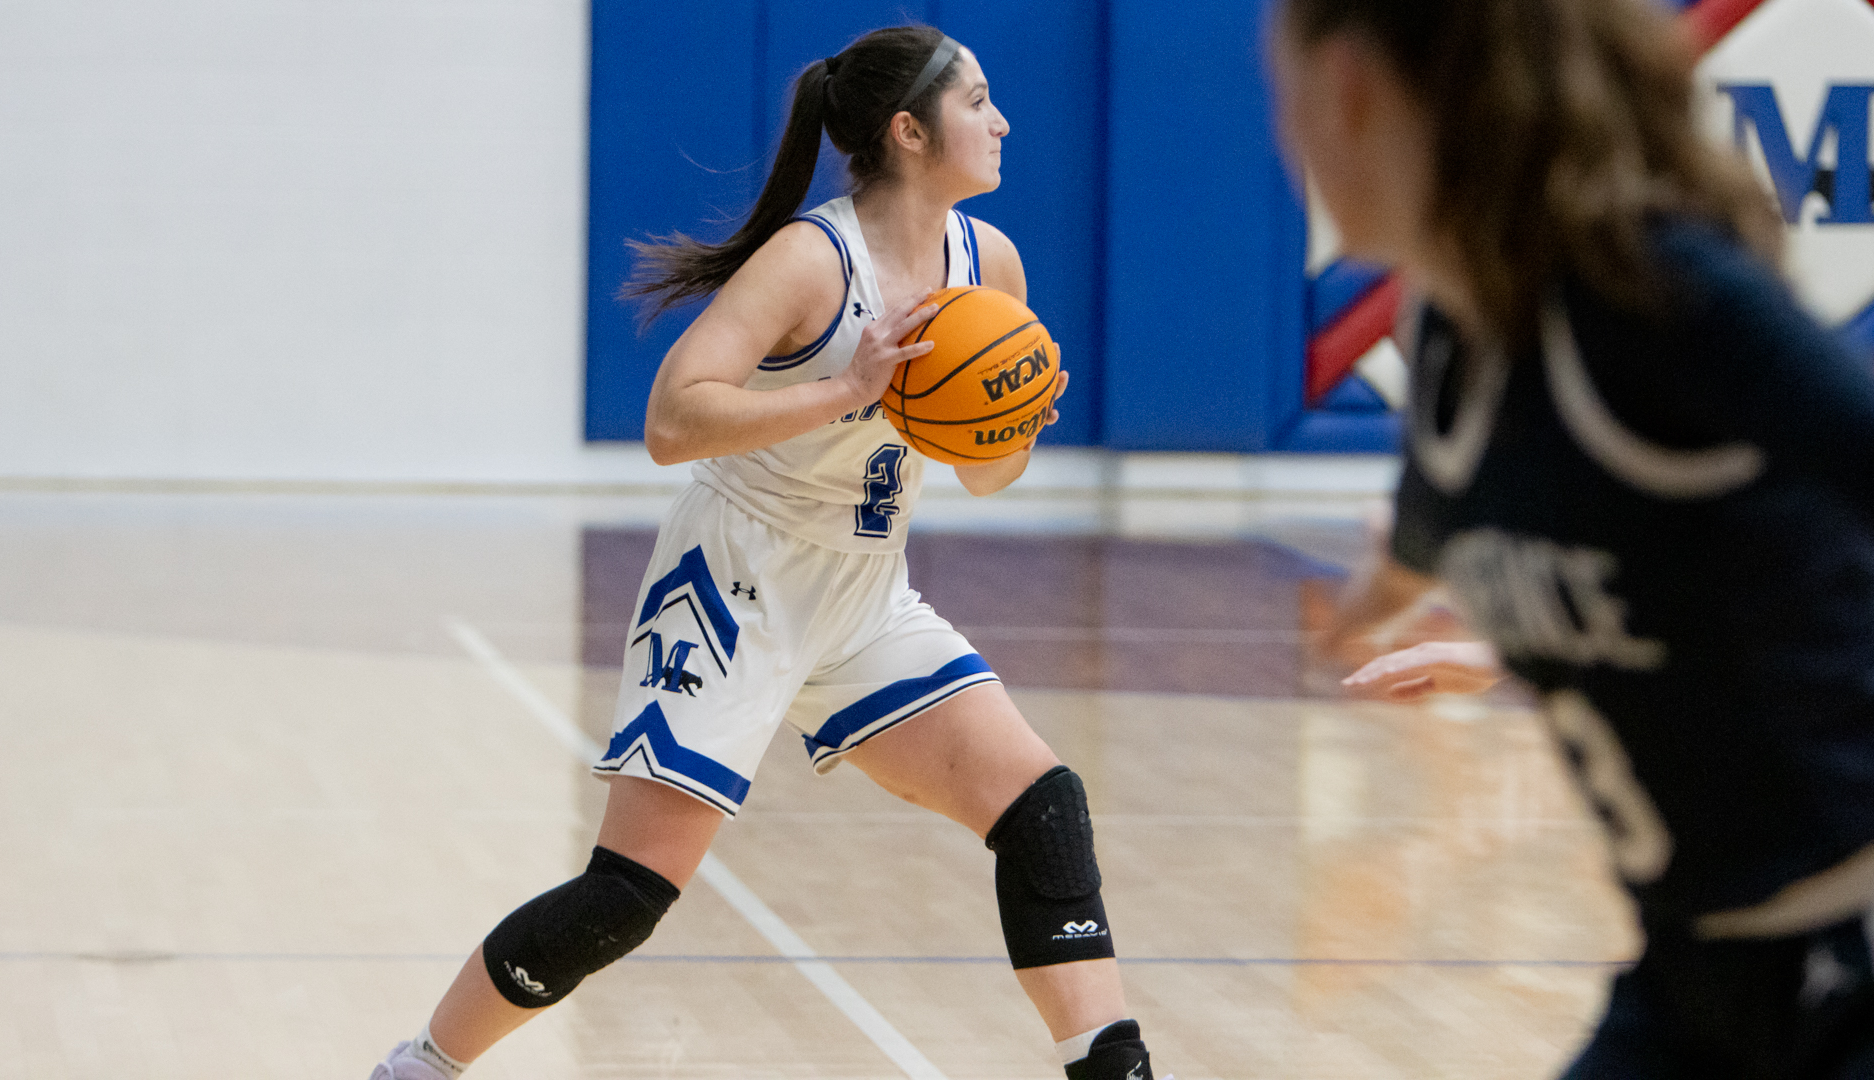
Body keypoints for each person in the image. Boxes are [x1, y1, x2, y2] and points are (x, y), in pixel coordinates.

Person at [369, 25, 1162, 1080]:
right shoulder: (811, 260)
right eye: (980, 101)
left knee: (1041, 806)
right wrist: (845, 388)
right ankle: (420, 1067)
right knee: (626, 894)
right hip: (734, 584)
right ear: (911, 131)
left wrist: (1012, 426)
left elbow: (985, 476)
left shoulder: (990, 266)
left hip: (866, 591)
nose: (1003, 120)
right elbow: (672, 419)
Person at [1273, 0, 1874, 1076]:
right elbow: (1424, 539)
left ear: (1350, 87)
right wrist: (1424, 621)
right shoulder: (1457, 341)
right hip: (1696, 971)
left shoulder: (1659, 292)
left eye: (1283, 91)